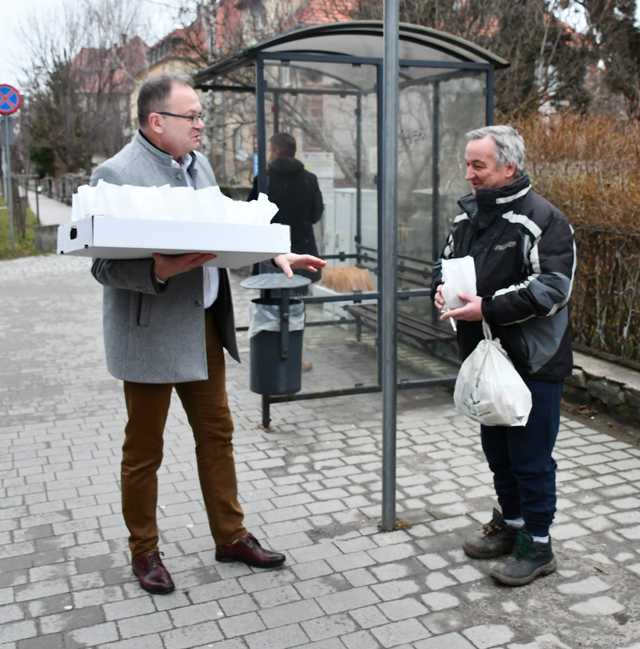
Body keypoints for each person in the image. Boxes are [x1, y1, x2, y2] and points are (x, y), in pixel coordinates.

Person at [90, 74, 325, 595]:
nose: (201, 124)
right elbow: (101, 266)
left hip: (205, 324)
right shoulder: (116, 174)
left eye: (201, 115)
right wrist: (160, 270)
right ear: (157, 122)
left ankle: (230, 535)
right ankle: (144, 551)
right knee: (145, 449)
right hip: (150, 333)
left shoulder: (200, 166)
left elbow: (224, 230)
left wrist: (274, 253)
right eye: (191, 116)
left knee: (217, 435)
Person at [432, 125, 576, 587]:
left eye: (479, 165)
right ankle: (510, 524)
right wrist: (442, 290)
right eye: (468, 164)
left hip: (532, 360)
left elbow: (553, 288)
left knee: (531, 457)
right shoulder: (465, 218)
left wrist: (487, 307)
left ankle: (537, 544)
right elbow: (446, 263)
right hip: (483, 356)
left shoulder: (544, 219)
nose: (469, 174)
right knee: (498, 451)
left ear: (508, 167)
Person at [248, 132, 324, 284]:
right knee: (298, 301)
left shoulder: (263, 180)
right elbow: (316, 214)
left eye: (270, 150)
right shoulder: (310, 179)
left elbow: (250, 214)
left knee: (270, 301)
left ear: (276, 151)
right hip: (302, 253)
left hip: (270, 255)